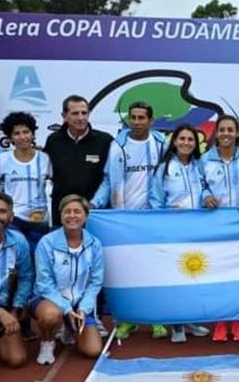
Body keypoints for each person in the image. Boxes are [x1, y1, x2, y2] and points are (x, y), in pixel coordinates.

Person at [93, 101, 168, 340]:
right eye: (132, 118)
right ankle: (127, 320)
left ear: (151, 120)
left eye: (141, 118)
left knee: (155, 270)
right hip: (124, 220)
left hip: (155, 218)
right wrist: (94, 203)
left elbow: (169, 177)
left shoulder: (161, 144)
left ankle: (156, 318)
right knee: (128, 273)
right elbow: (108, 180)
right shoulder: (118, 146)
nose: (136, 122)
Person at [148, 124, 210, 343]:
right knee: (175, 277)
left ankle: (190, 320)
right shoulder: (164, 168)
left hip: (197, 231)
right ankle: (177, 325)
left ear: (196, 144)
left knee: (194, 276)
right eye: (182, 139)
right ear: (174, 141)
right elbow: (154, 201)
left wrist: (208, 199)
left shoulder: (200, 166)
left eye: (190, 140)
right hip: (173, 231)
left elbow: (206, 190)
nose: (186, 143)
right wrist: (166, 216)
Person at [199, 115, 239, 342]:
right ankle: (221, 321)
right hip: (216, 225)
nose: (226, 134)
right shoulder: (204, 160)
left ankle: (238, 321)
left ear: (238, 133)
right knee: (218, 273)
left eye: (231, 130)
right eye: (222, 130)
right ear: (216, 133)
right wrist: (206, 196)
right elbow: (199, 185)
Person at [32, 195, 104, 365]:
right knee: (50, 316)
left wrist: (84, 309)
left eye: (77, 212)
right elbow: (44, 284)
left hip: (79, 303)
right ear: (61, 216)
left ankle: (70, 329)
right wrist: (65, 308)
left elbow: (95, 282)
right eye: (67, 212)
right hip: (50, 301)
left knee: (93, 350)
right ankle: (48, 341)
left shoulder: (95, 244)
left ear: (86, 217)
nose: (72, 216)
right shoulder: (46, 243)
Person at [0, 192, 33, 368]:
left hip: (1, 309)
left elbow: (26, 278)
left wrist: (16, 309)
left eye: (2, 212)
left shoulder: (19, 242)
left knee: (17, 359)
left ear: (11, 216)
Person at [44, 95, 114, 227]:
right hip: (63, 212)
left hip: (95, 212)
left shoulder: (105, 141)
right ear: (64, 116)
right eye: (75, 113)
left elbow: (110, 178)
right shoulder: (53, 141)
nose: (81, 118)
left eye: (84, 113)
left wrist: (94, 204)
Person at [0, 111, 52, 254]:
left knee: (37, 258)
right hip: (13, 219)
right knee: (16, 260)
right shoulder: (3, 159)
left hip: (39, 219)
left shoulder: (44, 159)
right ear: (10, 137)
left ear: (33, 134)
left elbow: (54, 184)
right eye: (17, 133)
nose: (22, 137)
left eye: (26, 132)